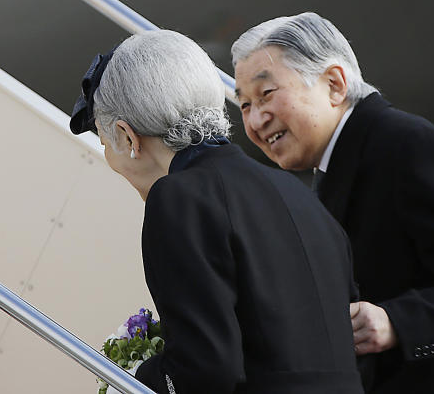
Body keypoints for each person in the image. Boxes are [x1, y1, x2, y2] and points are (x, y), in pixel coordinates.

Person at [231, 12, 434, 394]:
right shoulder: (337, 166)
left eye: (266, 94)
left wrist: (397, 323)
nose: (257, 120)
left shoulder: (404, 143)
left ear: (334, 84)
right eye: (244, 105)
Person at [70, 30, 363, 394]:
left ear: (128, 137)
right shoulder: (300, 196)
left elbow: (205, 371)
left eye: (104, 142)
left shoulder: (178, 197)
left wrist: (134, 377)